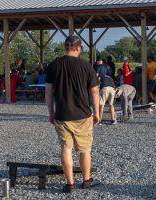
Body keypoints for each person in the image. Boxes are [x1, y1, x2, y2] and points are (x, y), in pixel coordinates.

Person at [45, 35, 100, 193]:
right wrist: (96, 112)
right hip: (83, 115)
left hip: (62, 114)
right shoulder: (86, 66)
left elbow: (48, 92)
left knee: (66, 149)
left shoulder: (54, 65)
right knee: (84, 149)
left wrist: (51, 112)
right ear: (79, 48)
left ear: (66, 47)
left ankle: (70, 184)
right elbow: (95, 92)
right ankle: (86, 180)